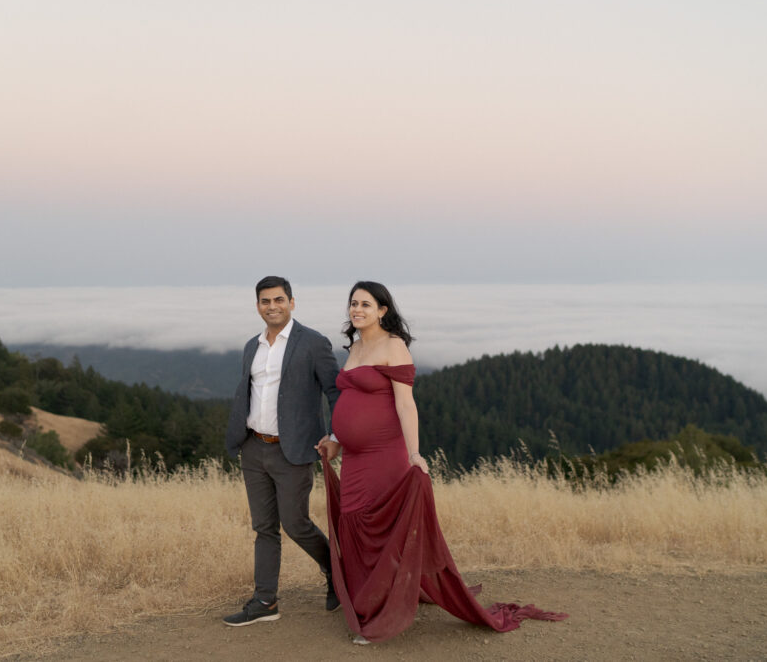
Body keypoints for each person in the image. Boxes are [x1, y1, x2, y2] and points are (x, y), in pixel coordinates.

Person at [317, 281, 567, 643]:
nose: (357, 310)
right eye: (353, 304)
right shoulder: (355, 346)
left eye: (366, 305)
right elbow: (351, 398)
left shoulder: (394, 345)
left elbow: (405, 404)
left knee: (380, 529)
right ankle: (369, 597)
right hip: (354, 457)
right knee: (353, 523)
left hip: (385, 454)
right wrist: (338, 440)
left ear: (383, 310)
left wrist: (415, 454)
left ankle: (381, 614)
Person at [223, 276, 342, 626]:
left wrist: (336, 435)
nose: (272, 306)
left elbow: (335, 392)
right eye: (265, 301)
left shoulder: (314, 343)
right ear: (257, 305)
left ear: (292, 302)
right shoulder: (252, 346)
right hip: (253, 447)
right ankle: (265, 601)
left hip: (293, 450)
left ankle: (337, 573)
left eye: (278, 300)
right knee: (264, 528)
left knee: (296, 523)